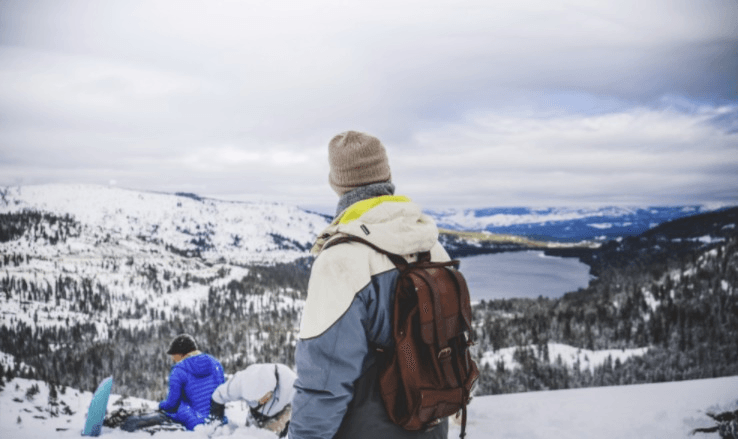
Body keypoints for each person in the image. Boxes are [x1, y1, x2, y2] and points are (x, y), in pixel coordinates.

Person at [288, 131, 451, 438]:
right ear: (387, 175)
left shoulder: (342, 260)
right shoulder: (432, 246)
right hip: (431, 422)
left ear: (337, 183)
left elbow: (323, 383)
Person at [121, 334, 225, 432]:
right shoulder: (215, 364)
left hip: (194, 421)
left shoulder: (179, 370)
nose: (172, 358)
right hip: (217, 420)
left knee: (131, 423)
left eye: (173, 354)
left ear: (181, 353)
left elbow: (172, 404)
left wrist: (161, 405)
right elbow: (221, 394)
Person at [210, 363, 296, 437]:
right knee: (250, 435)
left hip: (281, 413)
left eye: (265, 398)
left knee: (270, 436)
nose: (262, 401)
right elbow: (218, 396)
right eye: (258, 400)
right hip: (254, 413)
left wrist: (287, 422)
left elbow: (302, 406)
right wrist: (217, 423)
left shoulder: (290, 381)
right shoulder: (239, 382)